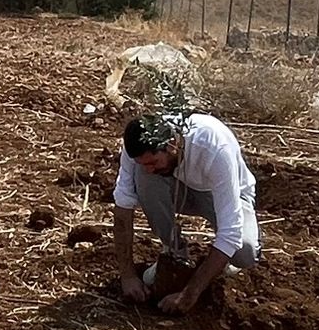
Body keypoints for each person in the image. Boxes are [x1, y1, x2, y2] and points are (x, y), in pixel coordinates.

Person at [111, 111, 261, 314]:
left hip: (216, 193)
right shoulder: (138, 147)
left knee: (244, 253)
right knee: (144, 178)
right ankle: (174, 257)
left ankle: (219, 266)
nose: (148, 168)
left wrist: (189, 294)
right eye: (143, 162)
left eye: (153, 162)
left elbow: (230, 232)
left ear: (173, 145)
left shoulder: (214, 147)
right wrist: (127, 276)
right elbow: (123, 207)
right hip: (176, 186)